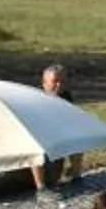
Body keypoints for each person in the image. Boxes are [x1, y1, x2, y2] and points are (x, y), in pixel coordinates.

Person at [34, 63, 78, 192]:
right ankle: (40, 187)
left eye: (62, 81)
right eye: (55, 81)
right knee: (35, 147)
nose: (59, 85)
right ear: (44, 83)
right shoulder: (35, 99)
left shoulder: (66, 97)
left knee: (77, 138)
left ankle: (77, 176)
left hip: (57, 135)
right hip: (38, 138)